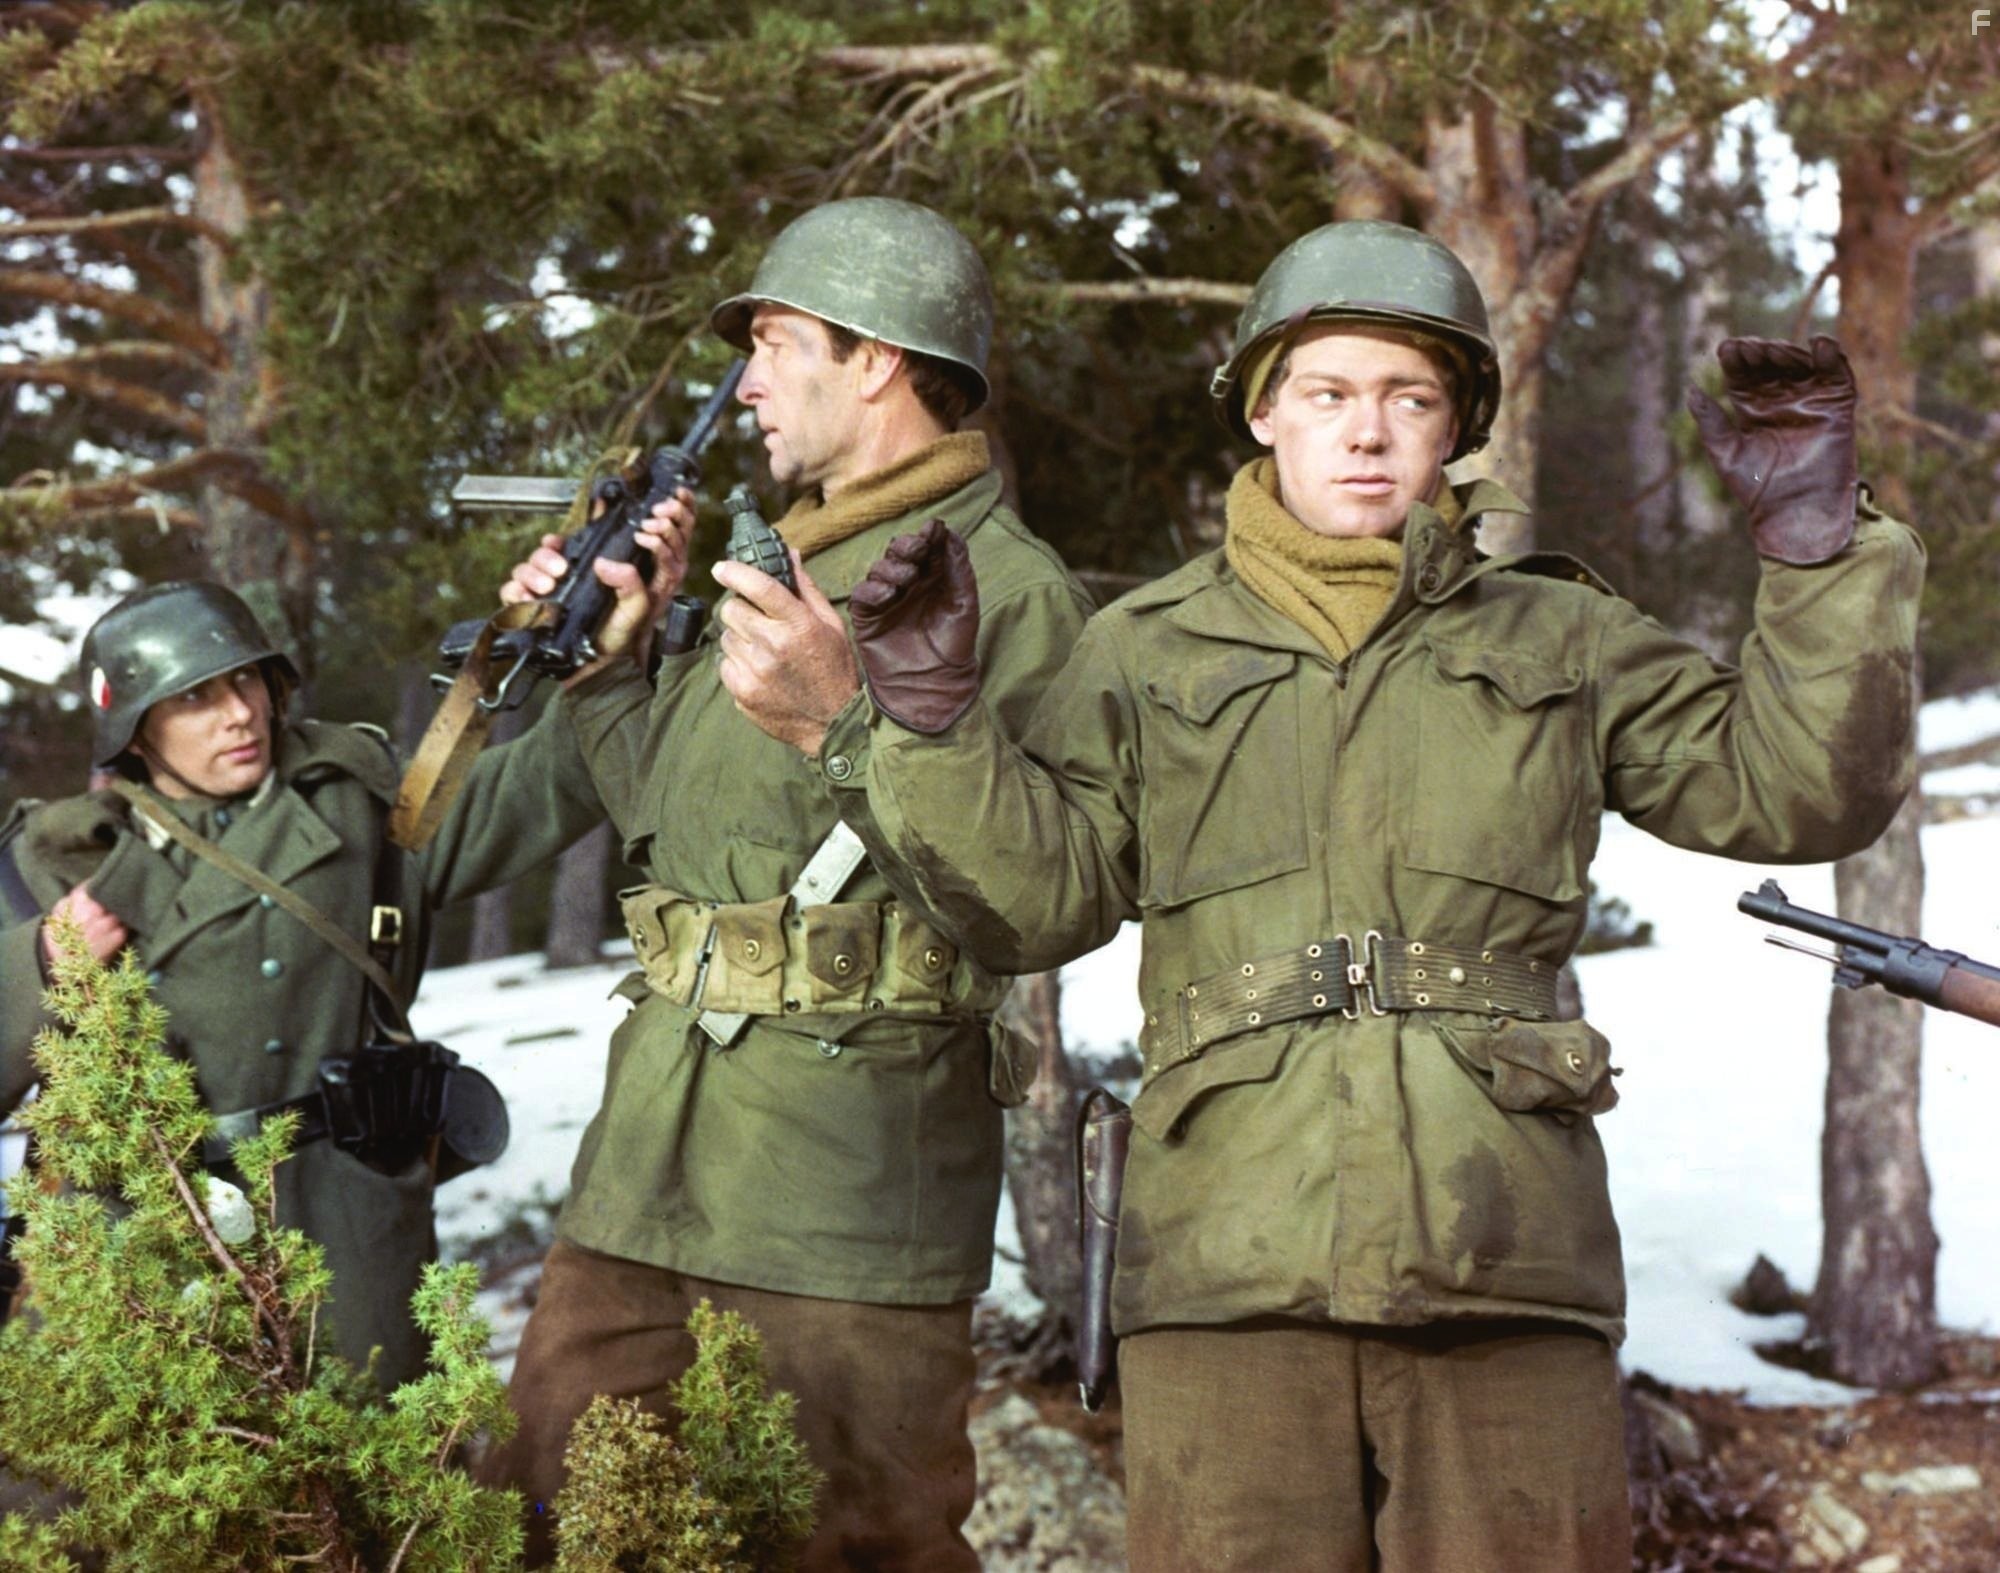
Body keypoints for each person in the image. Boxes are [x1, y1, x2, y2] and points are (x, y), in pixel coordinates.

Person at [809, 219, 1925, 1570]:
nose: (1369, 432)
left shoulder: (1558, 634)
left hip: (1502, 1254)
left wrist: (1816, 556)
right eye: (1330, 393)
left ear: (1454, 428)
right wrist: (932, 727)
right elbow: (1037, 905)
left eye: (1411, 398)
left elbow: (1801, 792)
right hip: (1229, 1267)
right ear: (1265, 411)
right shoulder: (1143, 648)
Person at [480, 196, 1092, 1568]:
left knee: (849, 1543)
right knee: (543, 1522)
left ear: (874, 358)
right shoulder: (783, 560)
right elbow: (682, 837)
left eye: (772, 344)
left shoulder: (1014, 591)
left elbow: (1044, 899)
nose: (747, 384)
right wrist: (615, 666)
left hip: (846, 1199)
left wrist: (844, 724)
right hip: (645, 1171)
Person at [0, 580, 604, 1388]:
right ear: (137, 729)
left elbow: (541, 786)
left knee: (377, 1484)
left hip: (342, 1226)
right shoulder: (54, 863)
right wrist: (45, 957)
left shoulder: (361, 805)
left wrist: (606, 652)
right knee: (127, 1489)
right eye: (196, 697)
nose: (239, 713)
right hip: (138, 1232)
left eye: (246, 679)